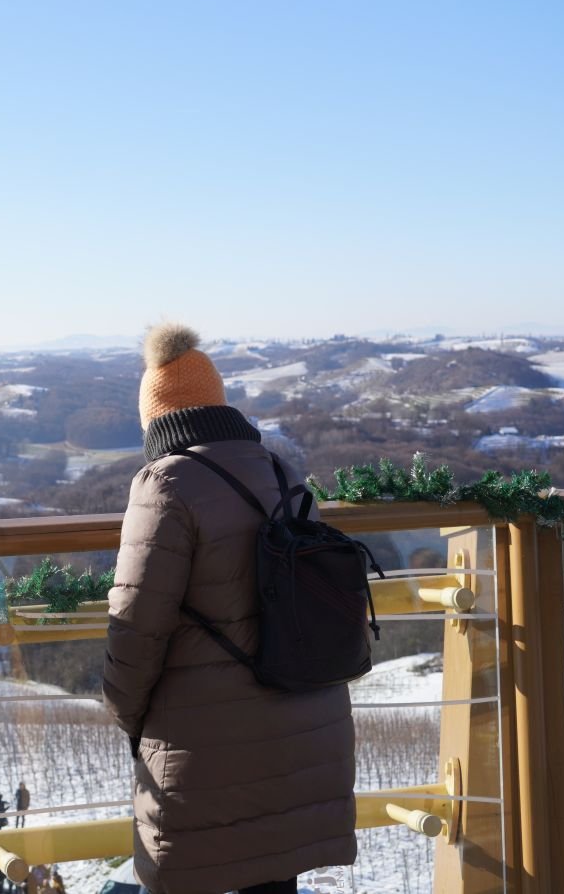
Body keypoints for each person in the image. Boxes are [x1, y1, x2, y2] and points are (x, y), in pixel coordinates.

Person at [102, 324, 356, 894]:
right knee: (273, 874)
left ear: (155, 419)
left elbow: (136, 627)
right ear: (218, 405)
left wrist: (129, 718)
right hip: (305, 725)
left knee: (195, 871)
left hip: (206, 743)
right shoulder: (281, 471)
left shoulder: (164, 483)